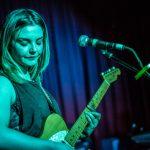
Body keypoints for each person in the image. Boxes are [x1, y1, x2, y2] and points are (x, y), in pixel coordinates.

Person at [0, 8, 101, 150]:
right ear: (8, 43)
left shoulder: (35, 82)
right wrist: (50, 147)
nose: (34, 49)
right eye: (24, 43)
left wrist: (80, 133)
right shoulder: (4, 83)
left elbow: (44, 136)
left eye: (39, 42)